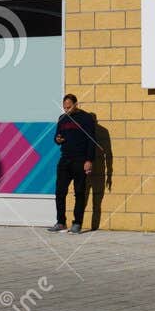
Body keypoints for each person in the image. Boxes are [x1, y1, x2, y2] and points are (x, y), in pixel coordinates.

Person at [47, 93, 100, 234]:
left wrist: (89, 160)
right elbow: (57, 137)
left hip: (80, 160)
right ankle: (61, 222)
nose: (66, 110)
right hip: (65, 159)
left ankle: (77, 224)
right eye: (64, 107)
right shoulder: (62, 118)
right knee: (60, 192)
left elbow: (91, 141)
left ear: (76, 104)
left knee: (79, 192)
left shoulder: (86, 118)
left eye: (69, 107)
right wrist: (57, 139)